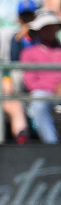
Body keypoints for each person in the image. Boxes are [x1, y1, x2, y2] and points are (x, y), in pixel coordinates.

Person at [20, 10, 61, 143]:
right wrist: (55, 88)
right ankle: (52, 144)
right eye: (45, 28)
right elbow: (30, 82)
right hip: (44, 93)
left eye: (51, 27)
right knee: (38, 103)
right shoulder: (28, 53)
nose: (48, 30)